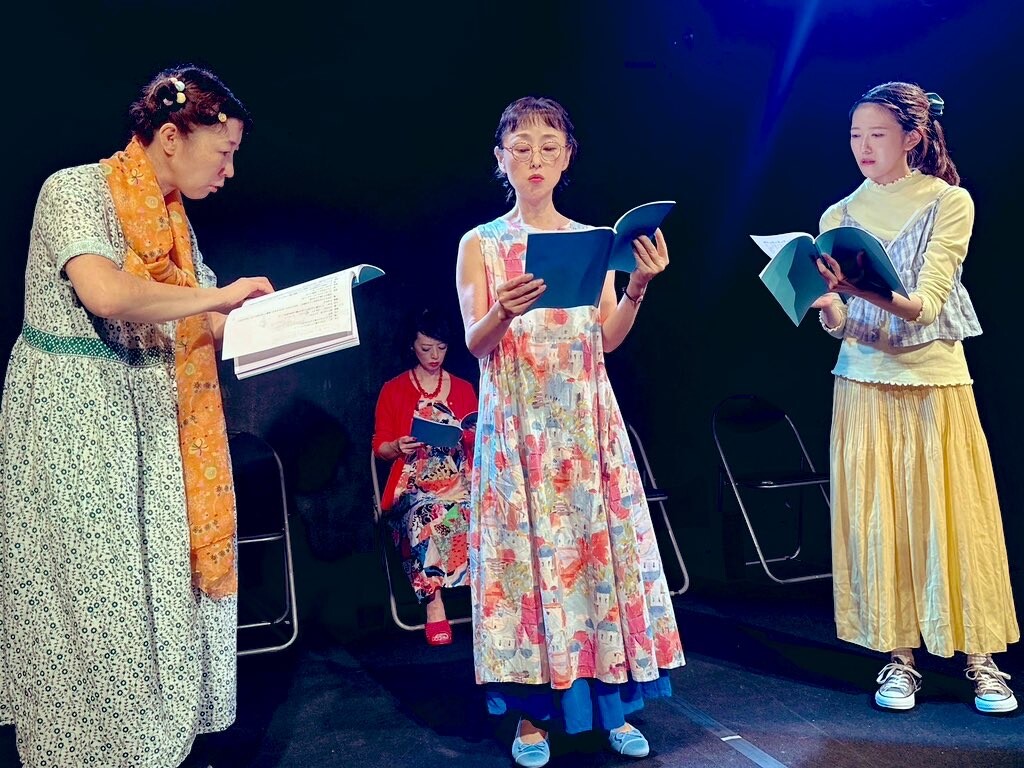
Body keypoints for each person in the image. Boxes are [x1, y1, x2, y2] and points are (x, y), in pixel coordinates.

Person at [0, 65, 274, 767]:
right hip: (77, 416)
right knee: (98, 597)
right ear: (172, 137)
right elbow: (108, 293)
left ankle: (153, 746)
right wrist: (216, 299)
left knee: (156, 589)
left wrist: (289, 322)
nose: (230, 171)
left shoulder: (175, 222)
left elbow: (206, 323)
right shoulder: (74, 190)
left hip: (150, 420)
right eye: (223, 152)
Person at [455, 96, 684, 767]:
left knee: (596, 562)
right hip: (519, 429)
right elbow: (475, 342)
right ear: (500, 159)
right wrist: (503, 310)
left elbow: (606, 338)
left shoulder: (593, 240)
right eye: (521, 146)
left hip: (585, 426)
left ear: (567, 158)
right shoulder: (481, 243)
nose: (535, 158)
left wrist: (637, 286)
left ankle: (613, 707)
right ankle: (531, 719)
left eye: (549, 146)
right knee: (527, 569)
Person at [811, 81, 1019, 714]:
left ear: (911, 137)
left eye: (877, 134)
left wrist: (858, 289)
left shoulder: (948, 201)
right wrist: (826, 305)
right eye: (855, 135)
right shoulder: (838, 215)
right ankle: (897, 658)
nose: (864, 147)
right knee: (881, 520)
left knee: (953, 518)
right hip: (862, 380)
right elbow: (847, 323)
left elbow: (926, 305)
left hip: (933, 380)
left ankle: (981, 659)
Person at [372, 309, 477, 645]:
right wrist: (396, 446)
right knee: (426, 515)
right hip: (414, 486)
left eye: (441, 348)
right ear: (412, 346)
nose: (434, 356)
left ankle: (489, 601)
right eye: (426, 348)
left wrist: (468, 434)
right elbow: (379, 446)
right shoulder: (394, 390)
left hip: (460, 480)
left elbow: (477, 433)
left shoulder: (463, 387)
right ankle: (435, 605)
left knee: (479, 511)